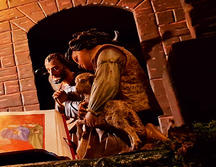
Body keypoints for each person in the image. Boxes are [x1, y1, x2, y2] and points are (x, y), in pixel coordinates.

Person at [67, 29, 165, 157]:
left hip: (133, 108)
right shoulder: (104, 56)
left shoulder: (107, 54)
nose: (79, 65)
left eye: (77, 59)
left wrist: (93, 110)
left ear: (85, 48)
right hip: (129, 107)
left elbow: (106, 84)